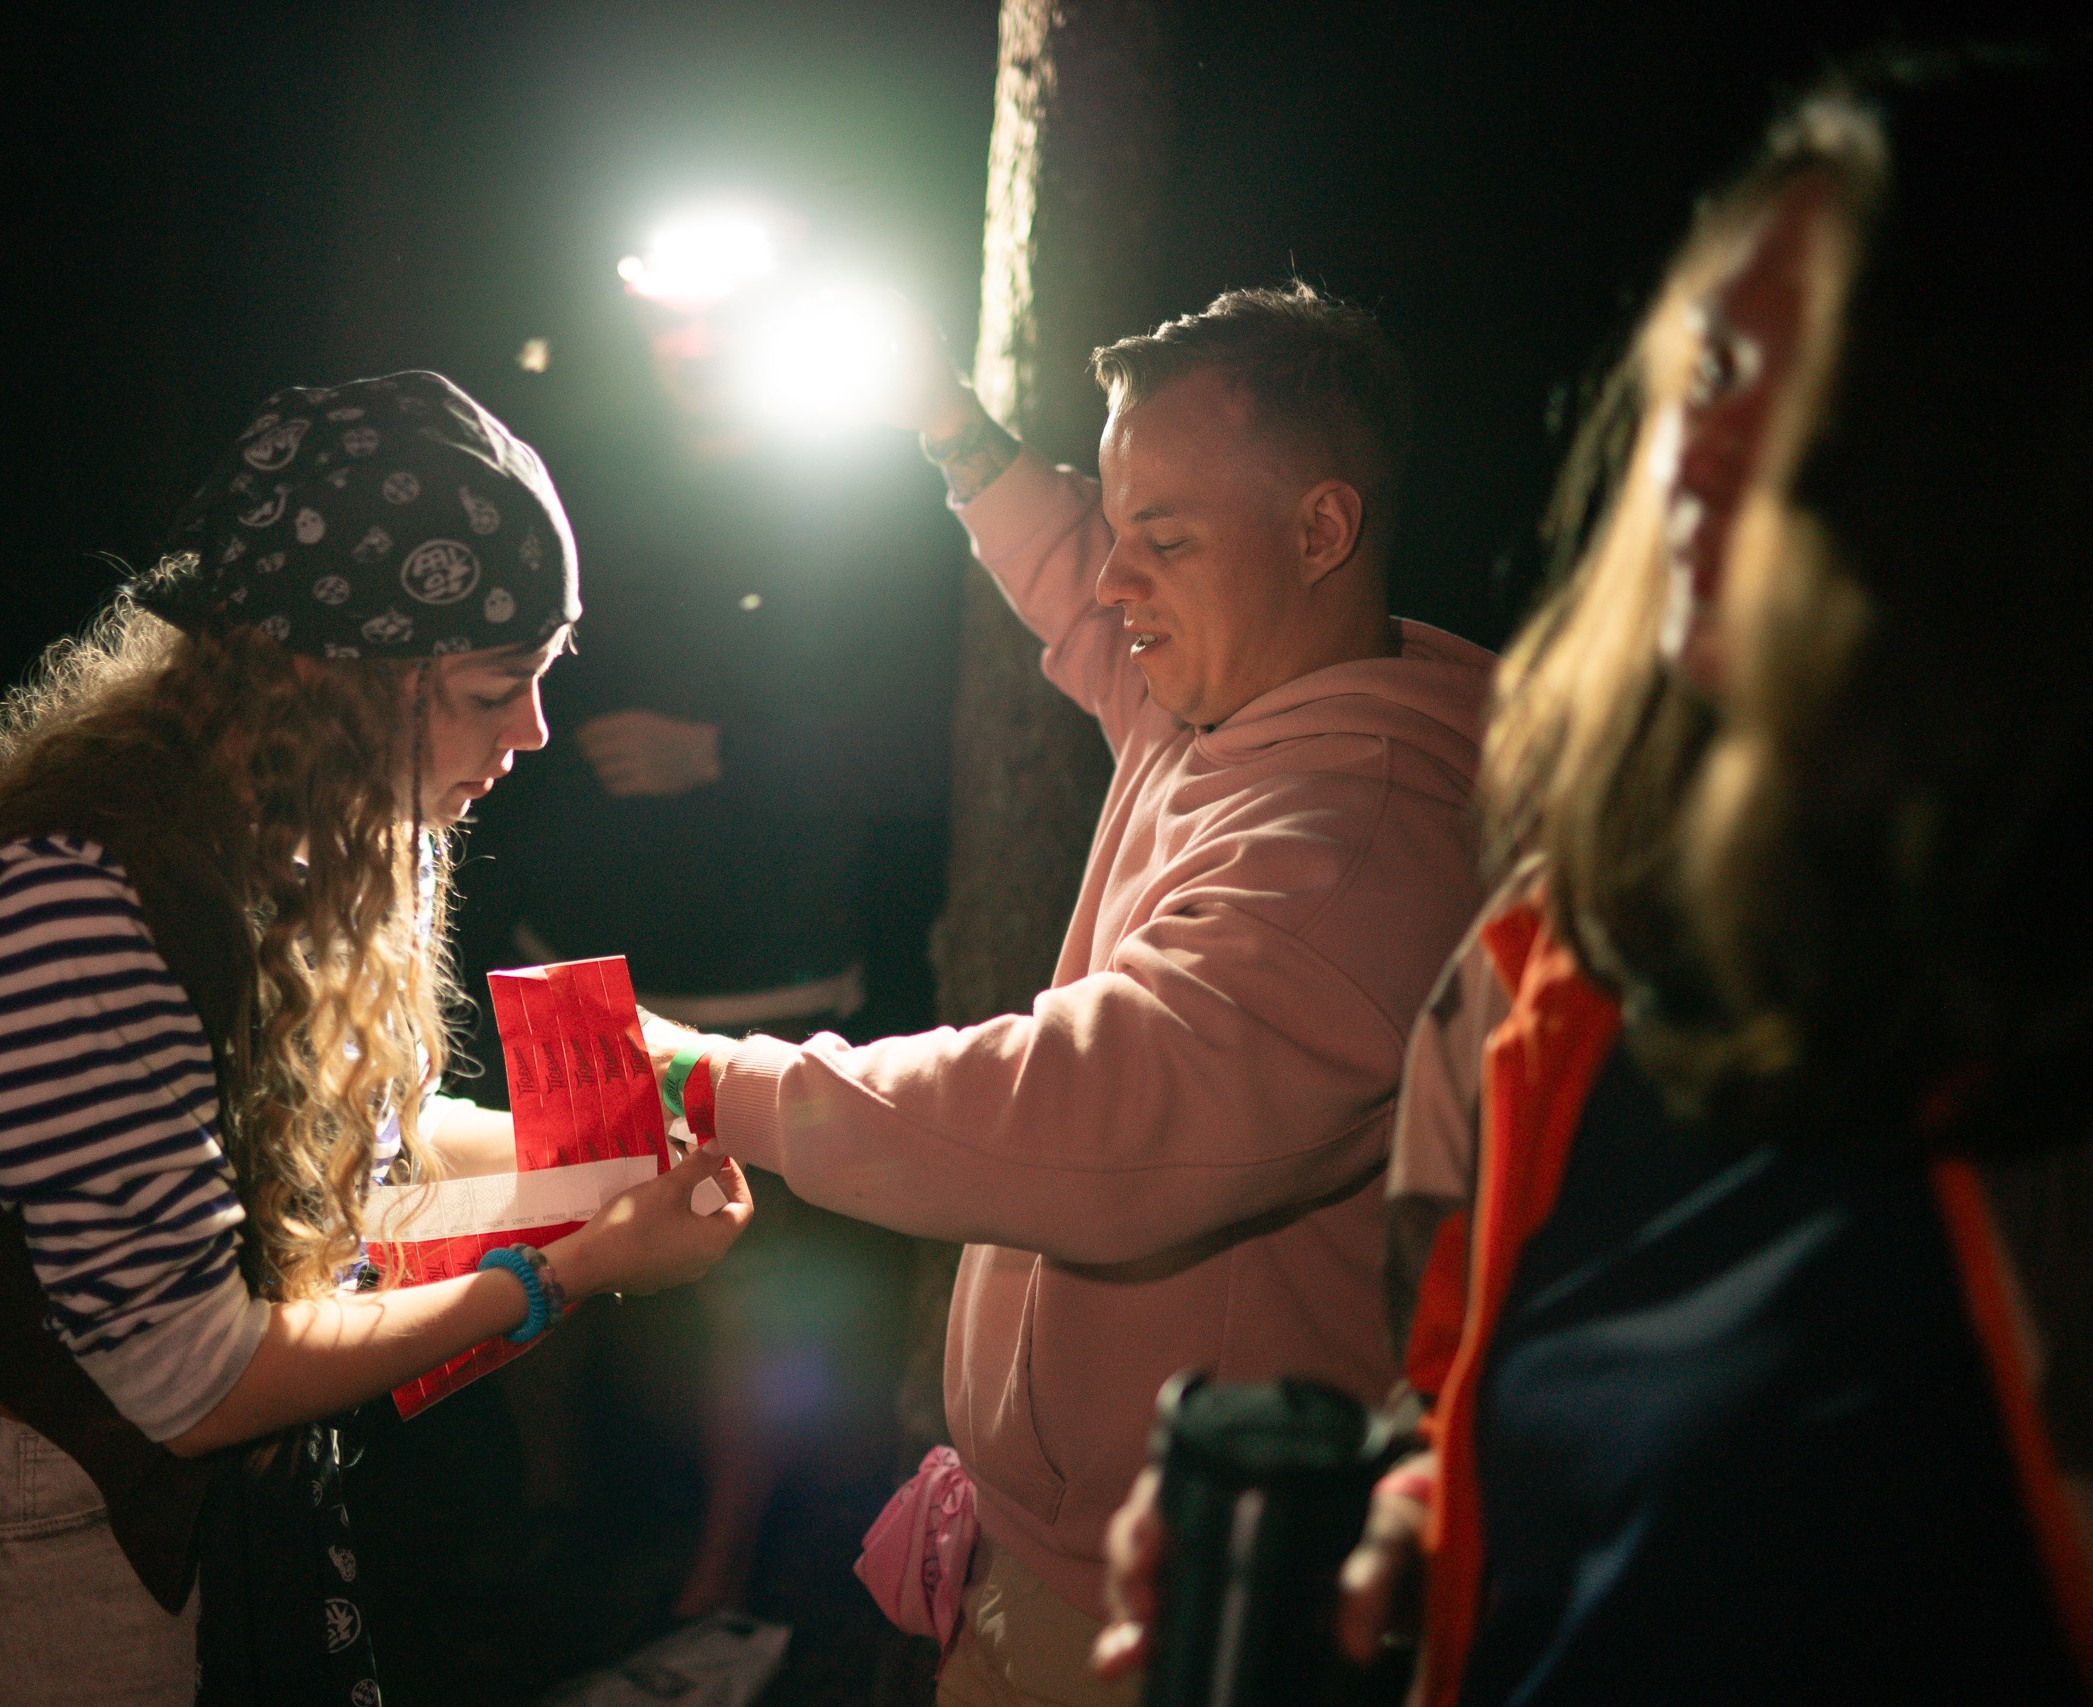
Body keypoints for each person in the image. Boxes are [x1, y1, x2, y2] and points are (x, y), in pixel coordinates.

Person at [1096, 49, 2093, 1704]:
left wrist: (733, 1086)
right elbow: (1527, 1388)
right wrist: (1413, 1512)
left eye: (1815, 382)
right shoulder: (1583, 940)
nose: (1695, 459)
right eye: (1705, 371)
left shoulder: (2039, 1043)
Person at [0, 373, 753, 1705]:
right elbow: (189, 1375)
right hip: (46, 1526)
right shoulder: (76, 893)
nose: (535, 732)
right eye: (498, 686)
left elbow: (364, 1133)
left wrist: (608, 1158)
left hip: (233, 1499)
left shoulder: (339, 828)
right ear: (340, 673)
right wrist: (568, 1267)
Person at [648, 285, 1498, 1705]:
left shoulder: (1351, 838)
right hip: (1062, 1555)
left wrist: (710, 1081)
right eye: (1118, 529)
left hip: (1188, 1610)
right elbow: (1071, 585)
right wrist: (954, 433)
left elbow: (1089, 1108)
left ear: (1323, 529)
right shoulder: (1231, 695)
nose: (1114, 582)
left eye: (1161, 541)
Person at [469, 230, 961, 1617]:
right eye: (663, 321)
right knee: (554, 1238)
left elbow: (921, 742)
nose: (686, 346)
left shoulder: (848, 497)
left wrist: (724, 750)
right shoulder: (585, 478)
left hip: (768, 967)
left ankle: (722, 1571)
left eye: (716, 321)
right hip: (583, 950)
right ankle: (558, 1513)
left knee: (750, 1280)